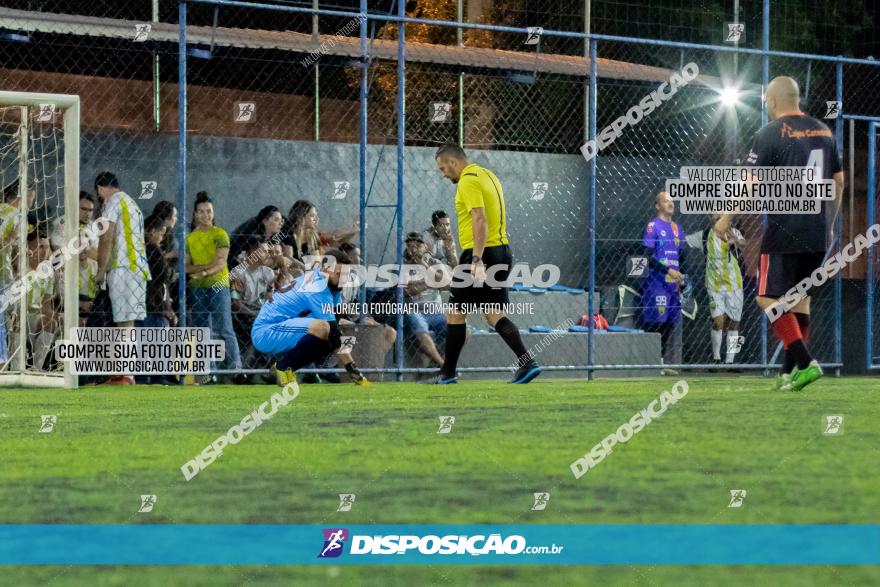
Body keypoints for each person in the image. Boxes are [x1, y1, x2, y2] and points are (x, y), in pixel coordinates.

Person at [717, 76, 844, 391]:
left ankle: (805, 362)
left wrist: (726, 217)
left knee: (765, 297)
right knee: (798, 301)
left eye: (765, 101)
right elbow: (839, 181)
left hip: (784, 230)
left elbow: (750, 183)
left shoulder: (768, 134)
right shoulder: (824, 132)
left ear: (773, 101)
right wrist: (828, 223)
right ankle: (789, 374)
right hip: (815, 232)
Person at [433, 143, 540, 384]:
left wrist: (477, 259)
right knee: (493, 314)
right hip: (502, 250)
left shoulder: (468, 181)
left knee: (456, 312)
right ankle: (527, 363)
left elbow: (479, 219)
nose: (443, 173)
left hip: (480, 253)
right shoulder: (487, 175)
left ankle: (447, 373)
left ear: (453, 162)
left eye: (443, 167)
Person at [251, 248, 369, 386]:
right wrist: (351, 367)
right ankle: (283, 368)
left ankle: (283, 367)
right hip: (266, 332)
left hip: (285, 328)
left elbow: (336, 323)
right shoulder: (316, 285)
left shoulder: (333, 287)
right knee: (327, 329)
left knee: (332, 335)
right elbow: (332, 329)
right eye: (339, 273)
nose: (343, 279)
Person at [94, 171, 151, 385]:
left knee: (124, 323)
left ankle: (125, 374)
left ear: (100, 188)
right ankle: (125, 373)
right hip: (137, 268)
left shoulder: (113, 202)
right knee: (127, 323)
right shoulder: (132, 204)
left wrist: (101, 269)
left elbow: (107, 236)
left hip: (123, 268)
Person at [185, 191, 243, 378]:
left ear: (213, 213)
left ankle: (235, 370)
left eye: (208, 211)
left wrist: (201, 271)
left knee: (224, 327)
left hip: (218, 285)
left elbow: (220, 263)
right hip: (197, 288)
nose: (205, 215)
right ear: (195, 214)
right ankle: (209, 372)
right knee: (203, 330)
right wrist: (202, 269)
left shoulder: (220, 234)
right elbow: (185, 266)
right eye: (201, 211)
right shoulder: (190, 238)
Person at [685, 214, 745, 365]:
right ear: (710, 218)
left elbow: (743, 244)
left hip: (734, 285)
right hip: (714, 285)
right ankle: (716, 358)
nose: (716, 216)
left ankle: (730, 361)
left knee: (734, 322)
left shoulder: (733, 232)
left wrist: (735, 241)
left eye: (720, 213)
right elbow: (683, 241)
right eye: (713, 214)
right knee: (718, 321)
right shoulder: (704, 236)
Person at [641, 191, 686, 375]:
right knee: (656, 321)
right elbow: (647, 256)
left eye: (672, 201)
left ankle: (660, 363)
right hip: (657, 282)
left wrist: (682, 276)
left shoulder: (677, 228)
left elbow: (681, 255)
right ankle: (652, 362)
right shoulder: (653, 226)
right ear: (657, 205)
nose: (670, 204)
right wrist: (667, 270)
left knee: (669, 322)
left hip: (673, 283)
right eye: (666, 201)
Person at [402, 232, 446, 369]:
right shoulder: (403, 266)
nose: (413, 248)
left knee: (463, 329)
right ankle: (444, 367)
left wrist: (423, 264)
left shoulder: (435, 263)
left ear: (426, 247)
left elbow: (445, 284)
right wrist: (429, 282)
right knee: (418, 323)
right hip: (415, 311)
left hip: (436, 312)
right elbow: (406, 291)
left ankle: (438, 361)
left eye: (418, 245)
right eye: (410, 245)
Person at [231, 237, 276, 371]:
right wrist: (255, 313)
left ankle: (265, 368)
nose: (269, 255)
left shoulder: (268, 273)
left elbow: (270, 298)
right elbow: (235, 303)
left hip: (261, 312)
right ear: (253, 252)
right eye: (264, 251)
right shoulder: (238, 273)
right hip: (243, 313)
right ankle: (253, 369)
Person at [144, 214, 176, 329]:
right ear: (152, 232)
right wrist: (173, 274)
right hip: (157, 307)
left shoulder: (136, 249)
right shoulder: (153, 249)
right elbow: (165, 273)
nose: (162, 238)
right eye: (161, 234)